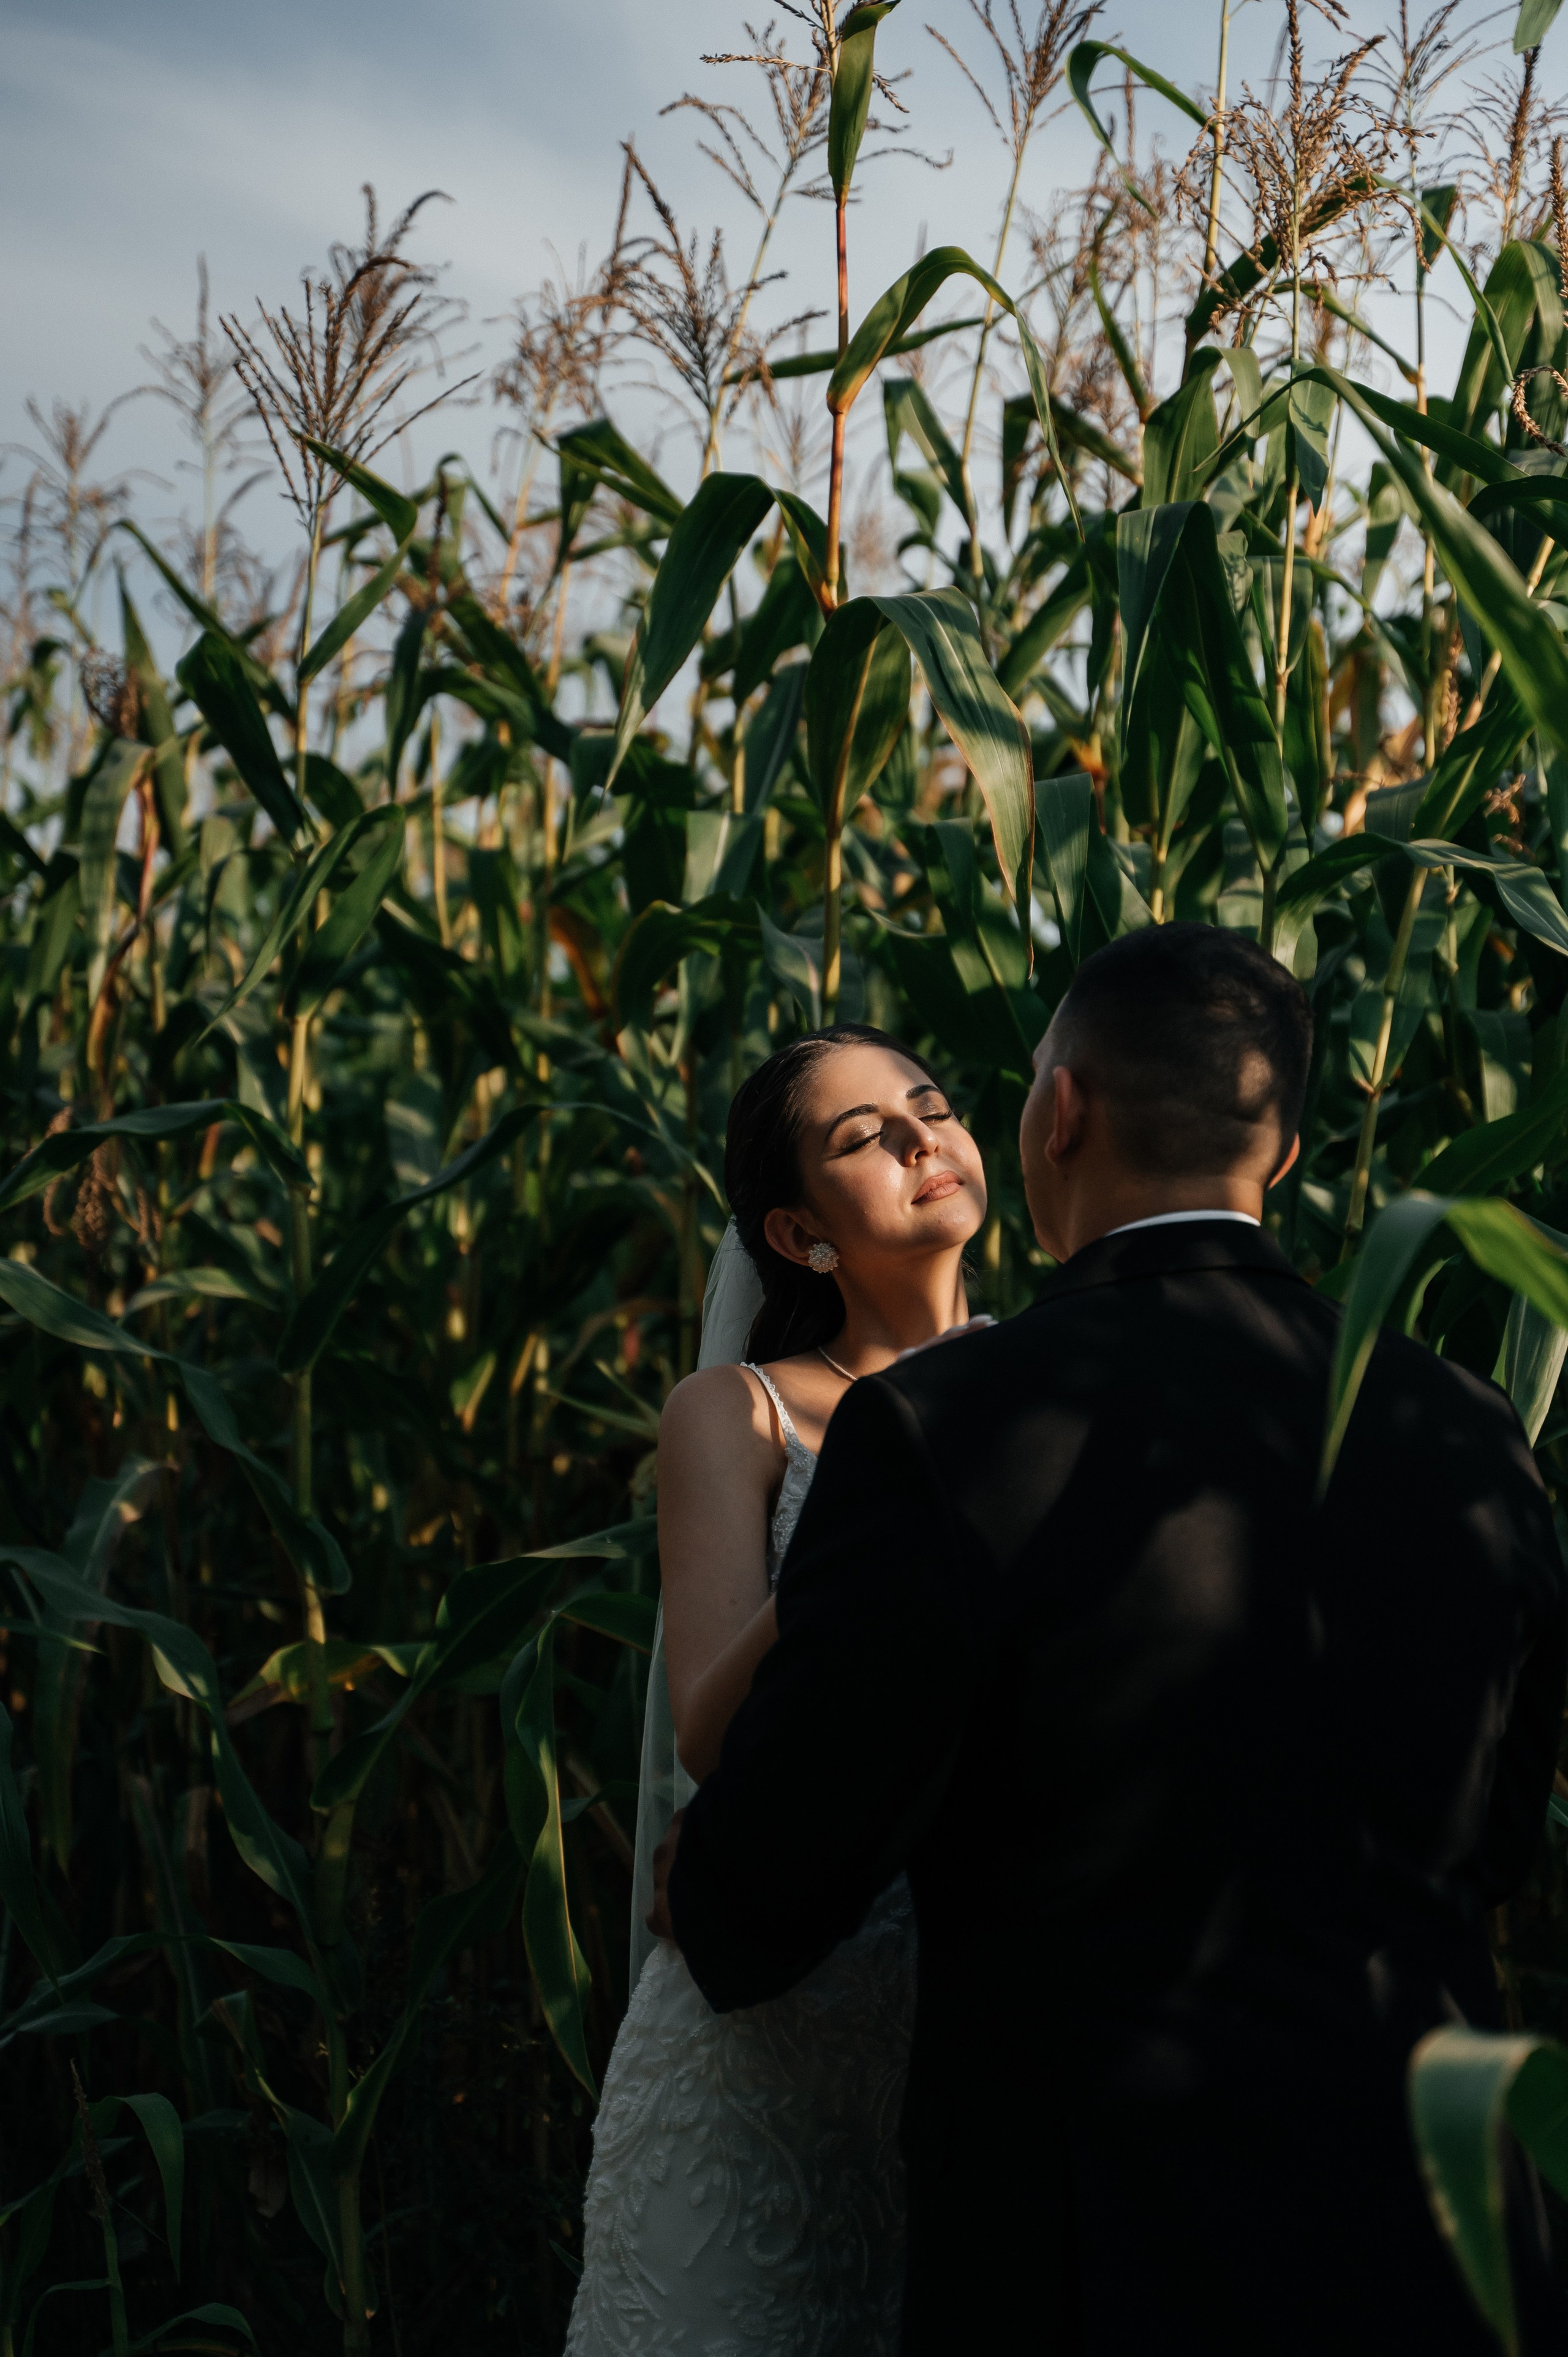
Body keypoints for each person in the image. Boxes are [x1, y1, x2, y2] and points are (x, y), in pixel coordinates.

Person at [666, 924, 1568, 2355]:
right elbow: (1492, 1833)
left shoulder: (958, 1431)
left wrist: (693, 1891)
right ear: (1276, 1150)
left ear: (1055, 1112)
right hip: (1441, 2241)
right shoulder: (1464, 1422)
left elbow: (766, 1874)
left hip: (1107, 2260)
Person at [564, 1023, 990, 2357]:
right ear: (801, 1236)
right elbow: (706, 1722)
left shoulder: (1045, 1379)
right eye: (866, 1134)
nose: (924, 1136)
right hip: (766, 2022)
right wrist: (883, 1488)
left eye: (929, 1106)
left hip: (959, 2014)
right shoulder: (737, 1410)